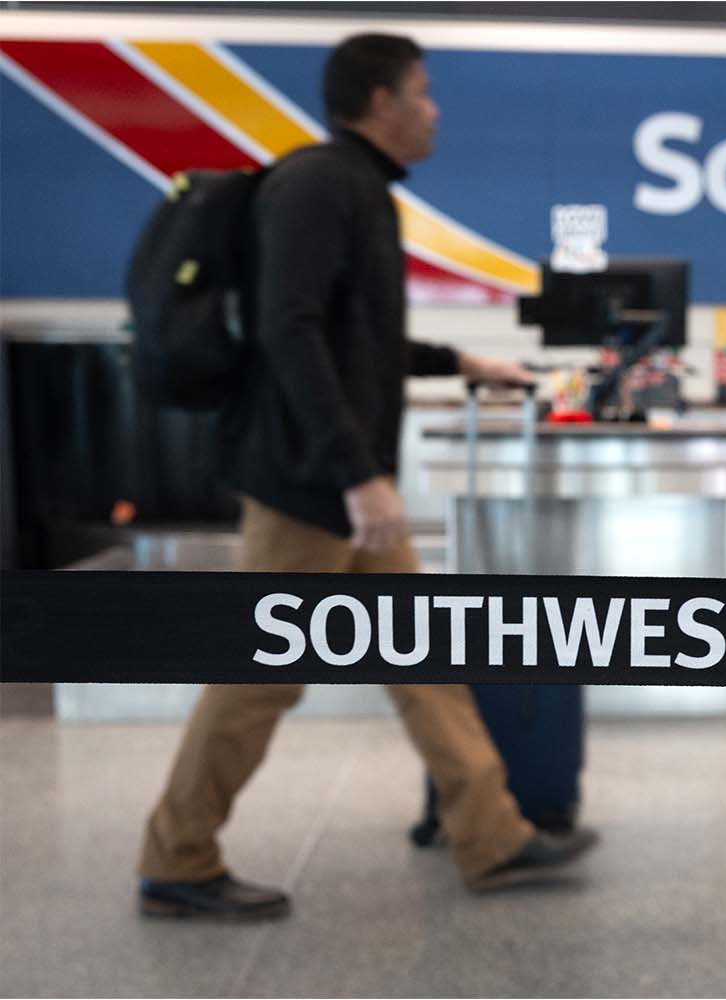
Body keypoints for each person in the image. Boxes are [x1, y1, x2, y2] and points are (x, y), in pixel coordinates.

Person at [136, 34, 597, 922]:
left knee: (422, 655)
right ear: (380, 103)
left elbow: (358, 340)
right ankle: (177, 856)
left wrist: (460, 358)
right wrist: (357, 476)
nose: (435, 110)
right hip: (307, 484)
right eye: (422, 93)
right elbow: (289, 329)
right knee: (260, 672)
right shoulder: (317, 186)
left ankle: (491, 833)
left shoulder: (359, 190)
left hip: (335, 480)